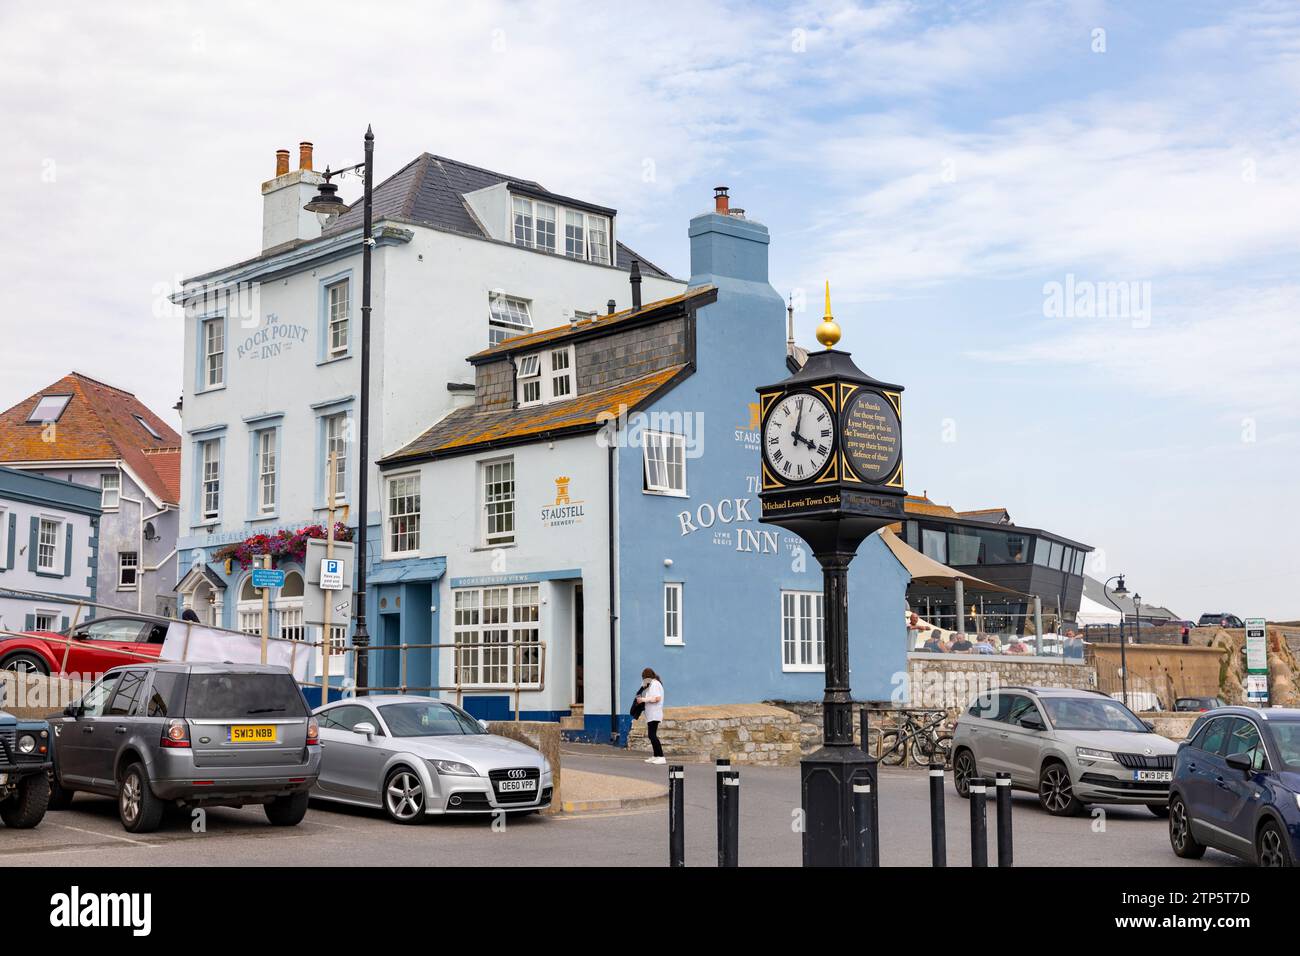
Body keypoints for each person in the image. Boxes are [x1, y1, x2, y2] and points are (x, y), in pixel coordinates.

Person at [636, 668, 666, 764]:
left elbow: (657, 698)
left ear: (646, 677)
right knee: (651, 735)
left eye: (643, 678)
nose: (643, 680)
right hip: (651, 714)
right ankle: (656, 755)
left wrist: (643, 700)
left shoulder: (655, 684)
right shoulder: (652, 684)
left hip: (655, 714)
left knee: (652, 735)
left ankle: (661, 756)